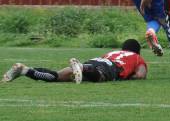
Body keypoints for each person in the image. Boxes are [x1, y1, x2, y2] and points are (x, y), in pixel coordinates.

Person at [2, 39, 147, 84]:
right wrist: (130, 76)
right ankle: (81, 67)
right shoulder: (137, 57)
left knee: (57, 77)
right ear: (137, 51)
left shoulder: (112, 52)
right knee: (101, 76)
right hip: (108, 67)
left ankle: (25, 70)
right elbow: (140, 75)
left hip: (95, 61)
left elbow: (104, 60)